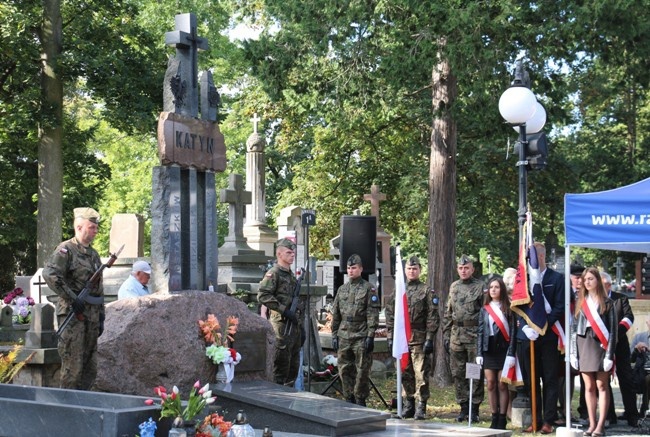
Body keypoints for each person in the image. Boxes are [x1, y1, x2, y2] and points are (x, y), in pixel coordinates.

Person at [43, 207, 105, 390]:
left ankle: (85, 408)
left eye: (96, 227)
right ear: (79, 227)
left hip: (91, 318)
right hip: (73, 317)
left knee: (90, 368)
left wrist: (101, 315)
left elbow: (98, 288)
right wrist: (73, 298)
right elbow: (51, 274)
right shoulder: (66, 250)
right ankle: (67, 411)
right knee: (73, 368)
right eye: (92, 227)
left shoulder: (93, 255)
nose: (95, 231)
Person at [516, 242, 564, 434]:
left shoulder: (557, 278)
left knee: (550, 379)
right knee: (531, 380)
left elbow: (560, 305)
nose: (530, 261)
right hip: (530, 337)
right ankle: (535, 419)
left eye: (533, 257)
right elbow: (518, 306)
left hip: (549, 335)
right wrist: (526, 326)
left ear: (541, 257)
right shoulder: (525, 280)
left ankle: (548, 420)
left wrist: (544, 325)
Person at [385, 255, 440, 419]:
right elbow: (390, 314)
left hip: (419, 337)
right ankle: (408, 404)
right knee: (405, 372)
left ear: (420, 270)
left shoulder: (426, 291)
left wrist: (430, 338)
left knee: (420, 373)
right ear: (405, 271)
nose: (411, 271)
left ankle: (421, 406)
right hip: (402, 338)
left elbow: (432, 316)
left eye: (414, 269)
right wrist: (390, 337)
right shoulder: (399, 290)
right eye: (409, 269)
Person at [569, 267, 617, 437]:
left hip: (601, 346)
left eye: (591, 278)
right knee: (588, 386)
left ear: (597, 280)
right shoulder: (581, 301)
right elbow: (574, 329)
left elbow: (613, 331)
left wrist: (610, 355)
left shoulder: (608, 303)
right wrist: (573, 353)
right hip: (584, 343)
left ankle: (601, 425)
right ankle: (592, 423)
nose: (587, 282)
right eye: (585, 279)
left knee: (602, 386)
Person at [330, 254, 381, 406]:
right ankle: (348, 398)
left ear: (360, 269)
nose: (351, 271)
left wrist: (370, 336)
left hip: (361, 334)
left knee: (362, 370)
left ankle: (360, 399)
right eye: (349, 268)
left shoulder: (368, 289)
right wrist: (334, 335)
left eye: (354, 268)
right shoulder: (342, 289)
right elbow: (336, 314)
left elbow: (372, 314)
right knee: (344, 370)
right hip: (344, 334)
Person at [257, 238, 305, 386]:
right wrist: (284, 311)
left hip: (293, 326)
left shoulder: (290, 275)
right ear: (279, 254)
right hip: (281, 326)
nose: (292, 255)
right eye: (289, 252)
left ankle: (289, 401)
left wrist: (300, 325)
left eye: (293, 253)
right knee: (281, 366)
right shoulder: (274, 273)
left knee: (293, 367)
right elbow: (263, 295)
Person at [443, 254, 485, 422]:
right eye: (460, 268)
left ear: (472, 269)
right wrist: (446, 335)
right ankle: (463, 407)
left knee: (474, 372)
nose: (463, 271)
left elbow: (485, 314)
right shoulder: (454, 287)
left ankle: (474, 409)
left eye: (466, 268)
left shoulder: (480, 287)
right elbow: (448, 313)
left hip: (473, 336)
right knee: (458, 373)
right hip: (456, 336)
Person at [601, 271, 639, 427]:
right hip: (601, 345)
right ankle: (609, 416)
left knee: (626, 379)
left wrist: (616, 333)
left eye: (602, 284)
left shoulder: (621, 298)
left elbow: (629, 317)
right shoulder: (594, 300)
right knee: (603, 380)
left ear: (609, 285)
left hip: (620, 344)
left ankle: (632, 415)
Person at [477, 277, 516, 430]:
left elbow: (513, 332)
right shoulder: (484, 309)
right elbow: (480, 332)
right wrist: (479, 353)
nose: (493, 290)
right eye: (491, 287)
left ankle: (502, 419)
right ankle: (494, 416)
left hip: (504, 350)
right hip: (489, 350)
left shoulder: (509, 308)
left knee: (502, 384)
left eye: (497, 287)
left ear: (502, 290)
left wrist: (512, 353)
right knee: (491, 384)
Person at [630, 317, 650, 417]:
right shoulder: (639, 337)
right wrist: (636, 349)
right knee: (628, 378)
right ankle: (631, 411)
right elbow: (630, 359)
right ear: (647, 322)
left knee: (648, 379)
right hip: (640, 371)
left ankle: (644, 409)